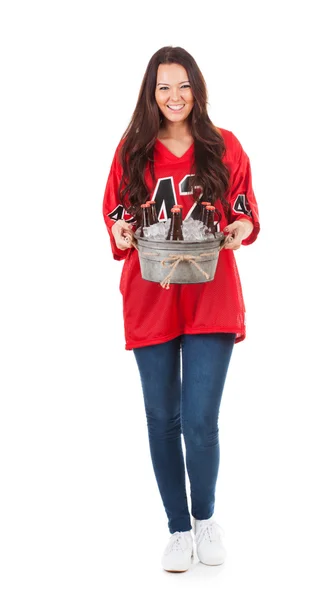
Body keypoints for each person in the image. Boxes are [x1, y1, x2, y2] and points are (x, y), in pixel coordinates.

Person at [102, 46, 260, 572]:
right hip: (151, 298)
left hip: (211, 296)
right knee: (161, 420)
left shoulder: (223, 146)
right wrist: (120, 230)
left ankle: (205, 518)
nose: (175, 97)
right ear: (151, 93)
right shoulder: (132, 151)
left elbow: (244, 209)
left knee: (199, 421)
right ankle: (176, 530)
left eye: (184, 85)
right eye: (164, 87)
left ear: (198, 89)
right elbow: (117, 214)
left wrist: (241, 229)